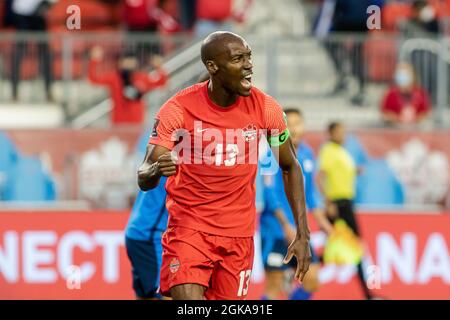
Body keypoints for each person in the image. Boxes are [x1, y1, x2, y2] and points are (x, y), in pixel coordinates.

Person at [137, 31, 311, 300]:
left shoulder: (266, 108)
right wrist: (156, 169)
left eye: (249, 57)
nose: (248, 64)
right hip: (189, 230)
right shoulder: (178, 108)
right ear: (212, 67)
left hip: (238, 237)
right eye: (238, 58)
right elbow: (144, 175)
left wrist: (303, 233)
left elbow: (289, 167)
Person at [260, 108, 333, 300]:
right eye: (289, 124)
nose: (294, 129)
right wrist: (285, 226)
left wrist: (325, 225)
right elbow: (270, 194)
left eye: (297, 123)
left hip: (299, 233)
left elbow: (309, 195)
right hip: (275, 231)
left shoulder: (308, 154)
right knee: (274, 287)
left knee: (312, 280)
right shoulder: (271, 153)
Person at [316, 121, 374, 300]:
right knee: (356, 245)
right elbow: (319, 178)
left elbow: (339, 173)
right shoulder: (328, 151)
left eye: (344, 131)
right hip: (338, 204)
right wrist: (328, 202)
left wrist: (355, 171)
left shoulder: (342, 152)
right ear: (331, 133)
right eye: (339, 132)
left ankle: (294, 269)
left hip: (345, 203)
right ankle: (368, 293)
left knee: (330, 249)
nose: (343, 135)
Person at [88, 46, 168, 126]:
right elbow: (94, 79)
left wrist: (159, 67)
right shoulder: (115, 78)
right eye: (127, 62)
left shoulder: (142, 77)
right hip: (118, 124)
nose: (129, 65)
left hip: (137, 124)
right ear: (121, 63)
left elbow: (161, 83)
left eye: (131, 62)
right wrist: (94, 60)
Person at [11, 0, 54, 101]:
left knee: (45, 53)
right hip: (21, 13)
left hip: (38, 14)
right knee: (19, 52)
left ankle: (48, 91)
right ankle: (14, 93)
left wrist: (46, 5)